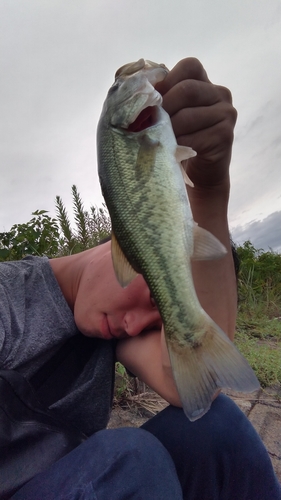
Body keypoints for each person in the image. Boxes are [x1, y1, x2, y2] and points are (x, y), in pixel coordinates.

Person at [1, 58, 280, 500]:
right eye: (150, 291)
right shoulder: (9, 295)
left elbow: (193, 387)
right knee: (129, 458)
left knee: (219, 426)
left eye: (152, 323)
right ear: (122, 244)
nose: (135, 324)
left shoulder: (108, 331)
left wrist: (210, 190)